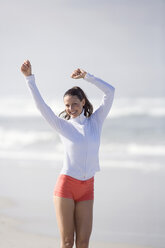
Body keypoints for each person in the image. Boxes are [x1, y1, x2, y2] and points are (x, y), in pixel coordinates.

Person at [21, 60, 115, 248]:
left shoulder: (95, 122)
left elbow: (110, 91)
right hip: (66, 186)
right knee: (67, 242)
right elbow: (42, 107)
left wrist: (87, 77)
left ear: (83, 102)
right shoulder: (63, 126)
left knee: (83, 242)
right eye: (67, 105)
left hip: (88, 186)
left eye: (74, 104)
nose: (71, 109)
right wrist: (29, 79)